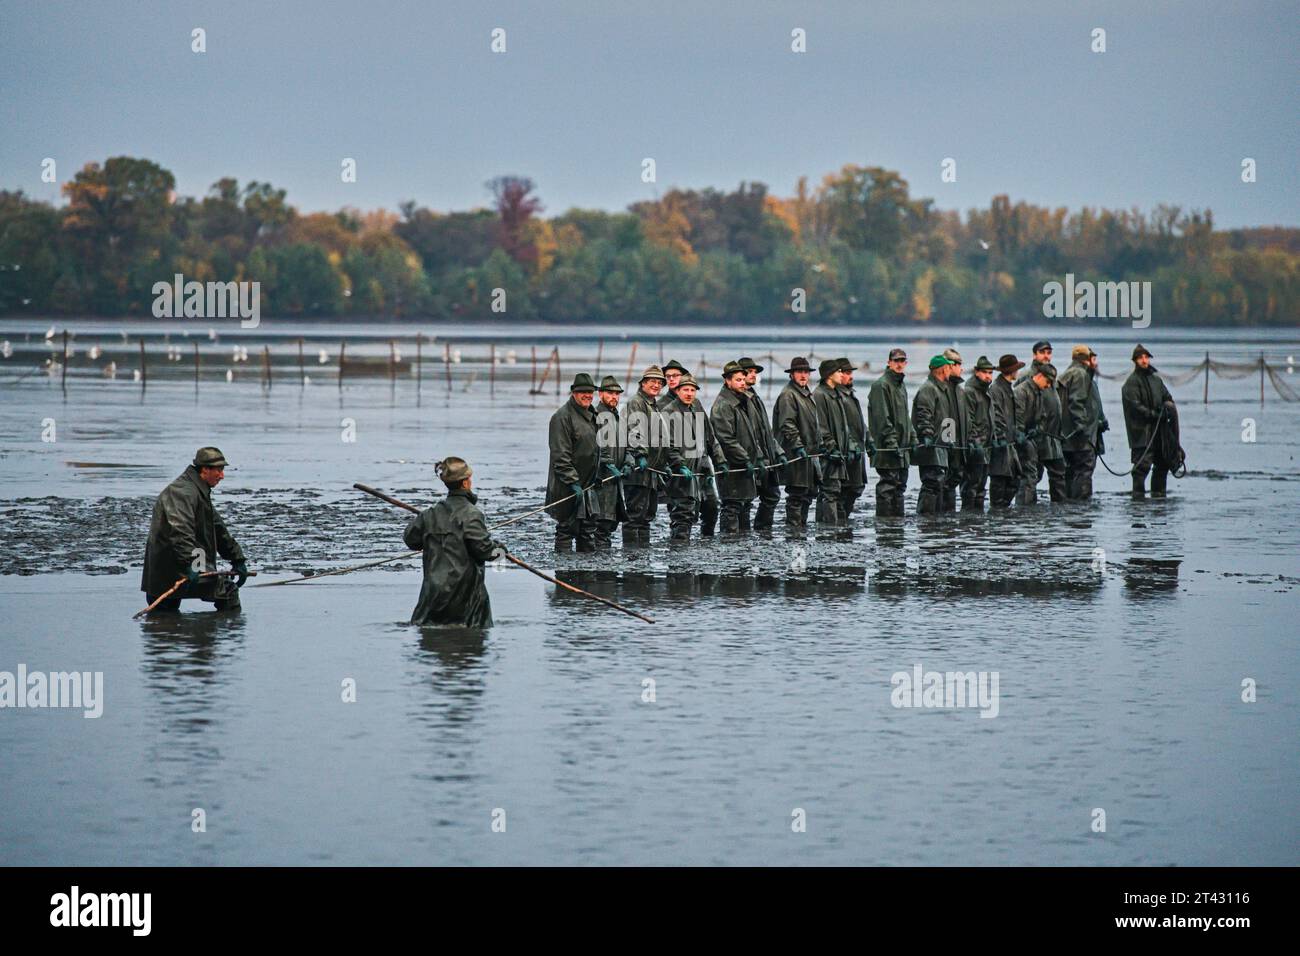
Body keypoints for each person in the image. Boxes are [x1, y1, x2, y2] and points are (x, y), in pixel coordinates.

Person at [141, 446, 248, 613]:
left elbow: (218, 529)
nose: (222, 476)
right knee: (226, 591)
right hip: (171, 570)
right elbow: (181, 532)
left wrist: (237, 559)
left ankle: (208, 635)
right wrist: (191, 564)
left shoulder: (198, 491)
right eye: (218, 470)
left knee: (164, 626)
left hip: (184, 566)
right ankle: (230, 635)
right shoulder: (183, 492)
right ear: (205, 469)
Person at [404, 457, 504, 627]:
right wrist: (502, 551)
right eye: (469, 479)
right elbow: (487, 552)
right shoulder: (472, 514)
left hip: (432, 597)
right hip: (465, 600)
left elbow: (410, 539)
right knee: (470, 640)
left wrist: (427, 522)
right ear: (465, 483)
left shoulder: (430, 514)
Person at [622, 365, 682, 544]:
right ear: (643, 384)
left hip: (652, 471)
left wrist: (665, 465)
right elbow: (634, 431)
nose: (656, 385)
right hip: (638, 470)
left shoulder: (653, 406)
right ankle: (632, 559)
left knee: (647, 515)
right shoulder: (636, 402)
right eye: (652, 382)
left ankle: (642, 559)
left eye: (659, 382)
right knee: (634, 516)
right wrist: (640, 455)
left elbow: (661, 440)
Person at [664, 373, 727, 541]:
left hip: (702, 471)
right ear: (677, 390)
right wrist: (679, 465)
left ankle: (706, 546)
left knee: (712, 508)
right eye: (685, 389)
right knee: (683, 515)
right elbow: (667, 446)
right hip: (681, 474)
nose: (689, 393)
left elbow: (710, 438)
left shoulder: (697, 406)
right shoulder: (668, 412)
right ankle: (679, 551)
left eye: (693, 390)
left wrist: (720, 461)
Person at [545, 373, 603, 552]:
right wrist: (573, 482)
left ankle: (586, 575)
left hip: (588, 484)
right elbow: (560, 456)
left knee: (587, 529)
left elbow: (595, 449)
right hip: (567, 486)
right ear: (573, 393)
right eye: (582, 392)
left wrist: (597, 474)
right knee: (566, 528)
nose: (587, 395)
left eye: (590, 392)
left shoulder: (592, 414)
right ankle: (563, 572)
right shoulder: (562, 417)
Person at [772, 356, 829, 532]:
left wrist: (820, 444)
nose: (803, 375)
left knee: (807, 494)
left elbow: (814, 425)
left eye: (806, 372)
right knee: (796, 495)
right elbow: (787, 424)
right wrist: (797, 446)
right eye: (799, 372)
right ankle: (794, 531)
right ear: (792, 375)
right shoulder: (788, 395)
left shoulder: (806, 394)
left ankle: (801, 529)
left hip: (809, 454)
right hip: (795, 454)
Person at [710, 360, 762, 534]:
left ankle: (743, 546)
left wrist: (758, 457)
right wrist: (746, 459)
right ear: (727, 381)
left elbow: (753, 435)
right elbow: (726, 439)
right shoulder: (723, 405)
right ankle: (729, 546)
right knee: (731, 506)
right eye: (738, 380)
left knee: (746, 505)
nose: (742, 383)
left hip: (745, 466)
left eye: (742, 379)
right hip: (731, 467)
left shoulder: (744, 401)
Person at [1122, 344, 1177, 498]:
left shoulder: (1156, 381)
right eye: (1140, 358)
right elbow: (1135, 406)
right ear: (1135, 361)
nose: (1144, 361)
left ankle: (1159, 498)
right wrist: (1153, 414)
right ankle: (1138, 500)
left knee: (1162, 465)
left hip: (1160, 433)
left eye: (1146, 357)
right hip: (1141, 434)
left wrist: (1166, 410)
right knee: (1141, 468)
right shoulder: (1131, 383)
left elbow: (1168, 398)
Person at [867, 348, 913, 517]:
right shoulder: (881, 385)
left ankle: (896, 527)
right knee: (888, 486)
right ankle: (885, 528)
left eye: (902, 361)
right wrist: (892, 443)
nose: (899, 364)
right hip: (887, 449)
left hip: (902, 448)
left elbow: (906, 417)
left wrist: (912, 439)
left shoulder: (901, 385)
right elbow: (882, 419)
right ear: (889, 363)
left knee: (900, 487)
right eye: (896, 361)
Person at [740, 357, 785, 531]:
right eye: (748, 372)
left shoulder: (754, 397)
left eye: (754, 372)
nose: (753, 375)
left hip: (767, 457)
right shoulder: (741, 399)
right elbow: (748, 434)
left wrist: (778, 451)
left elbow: (766, 430)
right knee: (745, 500)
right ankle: (742, 536)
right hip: (752, 458)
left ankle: (763, 531)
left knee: (772, 495)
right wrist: (757, 457)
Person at [1057, 345, 1106, 500]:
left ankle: (1069, 508)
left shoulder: (1067, 374)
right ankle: (1081, 511)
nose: (1095, 362)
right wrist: (1083, 427)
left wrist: (1100, 421)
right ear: (1086, 359)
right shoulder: (1080, 374)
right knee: (1084, 471)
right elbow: (1076, 403)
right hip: (1080, 438)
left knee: (1070, 473)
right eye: (1093, 358)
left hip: (1067, 437)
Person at [912, 355, 955, 515]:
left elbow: (947, 417)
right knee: (931, 482)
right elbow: (924, 414)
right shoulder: (928, 388)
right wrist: (927, 435)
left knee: (939, 482)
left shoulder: (943, 388)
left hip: (941, 446)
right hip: (930, 447)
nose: (951, 369)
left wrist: (948, 439)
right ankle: (925, 518)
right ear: (943, 369)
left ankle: (935, 519)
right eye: (949, 367)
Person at [593, 375, 632, 547]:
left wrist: (629, 461)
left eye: (617, 394)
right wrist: (608, 463)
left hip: (616, 482)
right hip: (601, 481)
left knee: (611, 524)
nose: (614, 397)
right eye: (610, 393)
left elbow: (630, 443)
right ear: (600, 394)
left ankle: (604, 564)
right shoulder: (595, 416)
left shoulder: (619, 418)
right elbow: (594, 448)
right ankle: (600, 566)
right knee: (600, 524)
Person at [812, 359, 850, 527]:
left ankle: (826, 529)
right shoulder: (820, 394)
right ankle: (828, 531)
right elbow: (821, 425)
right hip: (828, 455)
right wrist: (831, 447)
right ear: (829, 375)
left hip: (839, 453)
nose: (842, 374)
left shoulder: (836, 393)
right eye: (839, 371)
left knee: (833, 492)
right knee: (830, 491)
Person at [836, 357, 870, 524]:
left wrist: (869, 438)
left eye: (851, 373)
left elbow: (859, 421)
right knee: (843, 490)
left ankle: (844, 522)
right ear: (838, 374)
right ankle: (839, 524)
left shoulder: (850, 395)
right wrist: (850, 445)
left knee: (856, 488)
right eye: (847, 373)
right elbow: (841, 425)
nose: (851, 377)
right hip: (845, 452)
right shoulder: (836, 397)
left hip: (858, 451)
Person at [1013, 364, 1052, 505]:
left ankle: (1029, 504)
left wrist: (1037, 429)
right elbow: (1017, 417)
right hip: (1022, 441)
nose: (1048, 386)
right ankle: (1024, 508)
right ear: (1040, 376)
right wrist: (1020, 434)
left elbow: (1042, 416)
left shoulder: (1039, 392)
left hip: (1034, 439)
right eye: (1047, 382)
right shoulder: (1021, 391)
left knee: (1036, 473)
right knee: (1028, 475)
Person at [988, 355, 1024, 509]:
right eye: (1016, 369)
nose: (1018, 372)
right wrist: (1001, 436)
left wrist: (1017, 431)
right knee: (999, 479)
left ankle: (1002, 510)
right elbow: (996, 414)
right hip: (1001, 443)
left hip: (1010, 442)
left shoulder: (1007, 387)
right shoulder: (996, 389)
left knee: (1014, 478)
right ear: (1012, 371)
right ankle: (997, 511)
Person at [961, 356, 995, 510]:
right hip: (974, 448)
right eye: (985, 372)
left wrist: (993, 438)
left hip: (986, 448)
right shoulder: (969, 391)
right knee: (971, 487)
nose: (988, 376)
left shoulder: (986, 392)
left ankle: (978, 523)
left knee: (981, 488)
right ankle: (968, 520)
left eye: (990, 372)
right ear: (976, 372)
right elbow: (969, 420)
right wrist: (974, 441)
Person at [940, 348, 969, 513]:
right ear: (949, 366)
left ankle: (949, 518)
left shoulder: (959, 390)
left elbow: (965, 420)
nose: (961, 368)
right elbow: (946, 418)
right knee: (943, 484)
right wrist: (948, 440)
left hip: (960, 447)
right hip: (948, 448)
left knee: (953, 481)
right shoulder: (943, 388)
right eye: (958, 364)